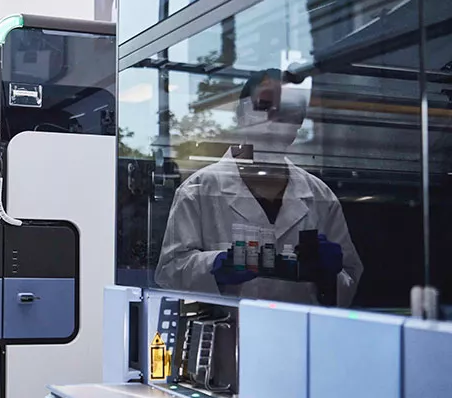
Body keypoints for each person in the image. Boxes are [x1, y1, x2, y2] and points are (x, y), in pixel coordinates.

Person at [155, 68, 363, 307]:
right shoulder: (198, 190)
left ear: (298, 124)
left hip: (297, 337)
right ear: (241, 116)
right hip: (227, 336)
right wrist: (216, 266)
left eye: (287, 113)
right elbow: (169, 273)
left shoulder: (320, 196)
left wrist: (329, 275)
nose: (273, 121)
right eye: (263, 106)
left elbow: (350, 279)